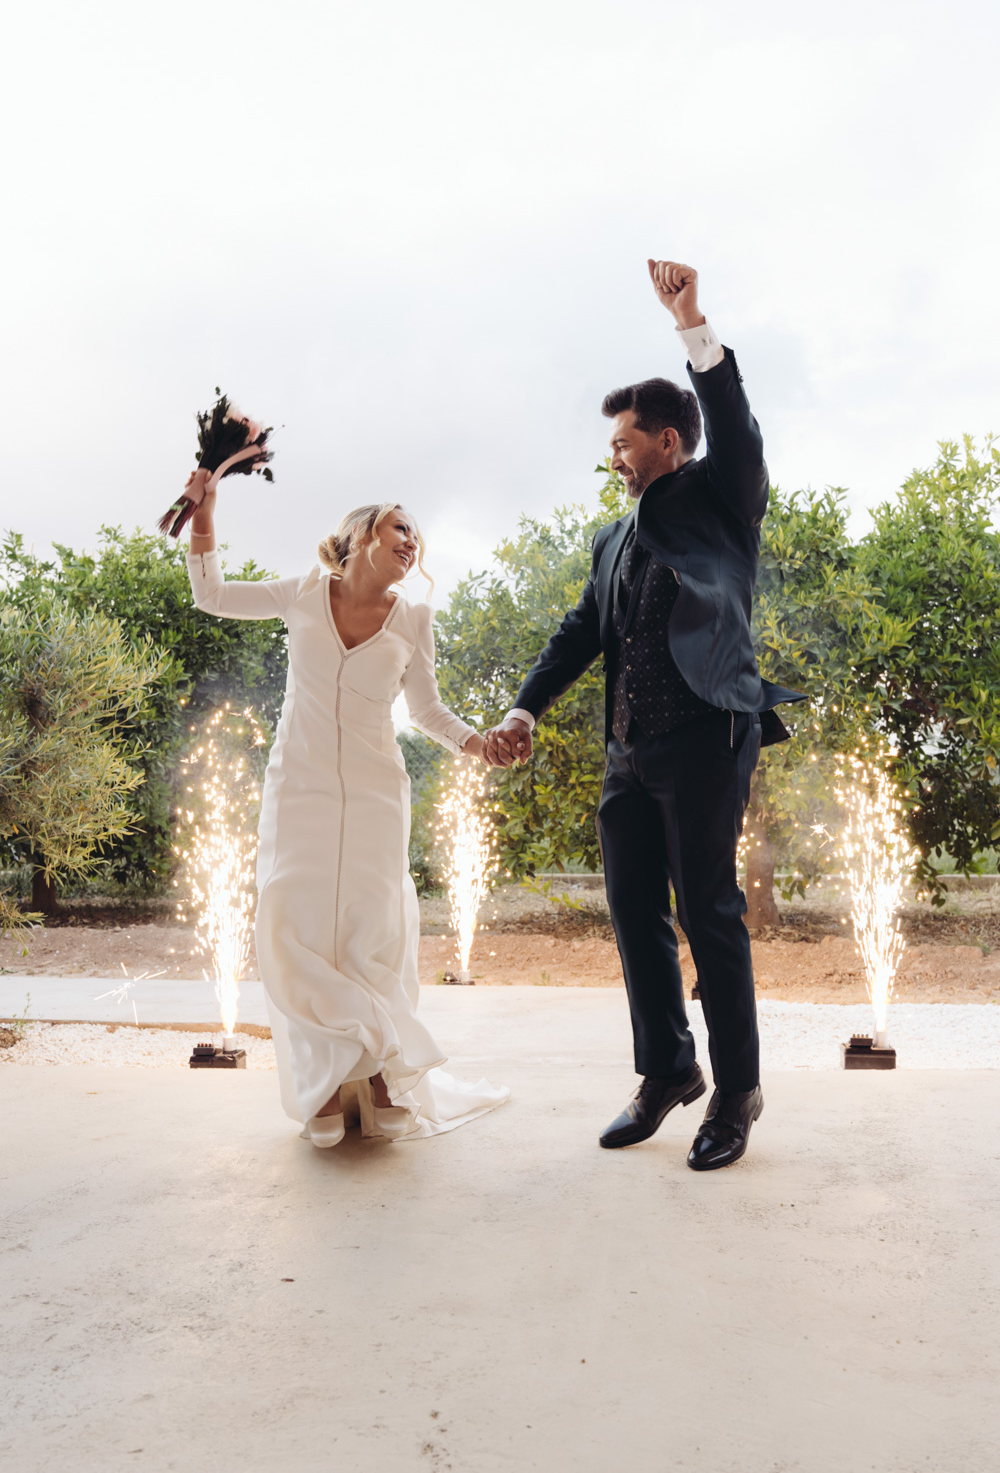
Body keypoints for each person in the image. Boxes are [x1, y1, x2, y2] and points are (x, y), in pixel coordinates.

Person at [484, 259, 804, 1171]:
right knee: (633, 911)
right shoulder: (612, 536)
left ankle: (737, 1093)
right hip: (629, 751)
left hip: (707, 733)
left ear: (668, 441)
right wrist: (525, 707)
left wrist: (693, 322)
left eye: (625, 441)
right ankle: (668, 1072)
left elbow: (736, 431)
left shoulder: (722, 499)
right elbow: (583, 629)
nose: (614, 455)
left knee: (710, 912)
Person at [186, 484, 509, 1147]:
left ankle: (385, 1074)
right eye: (400, 527)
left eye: (416, 535)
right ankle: (327, 1085)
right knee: (294, 926)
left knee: (373, 931)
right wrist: (205, 518)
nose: (411, 541)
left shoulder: (413, 619)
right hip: (297, 789)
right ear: (364, 534)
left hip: (374, 796)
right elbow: (211, 595)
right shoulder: (302, 593)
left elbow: (425, 711)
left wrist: (482, 745)